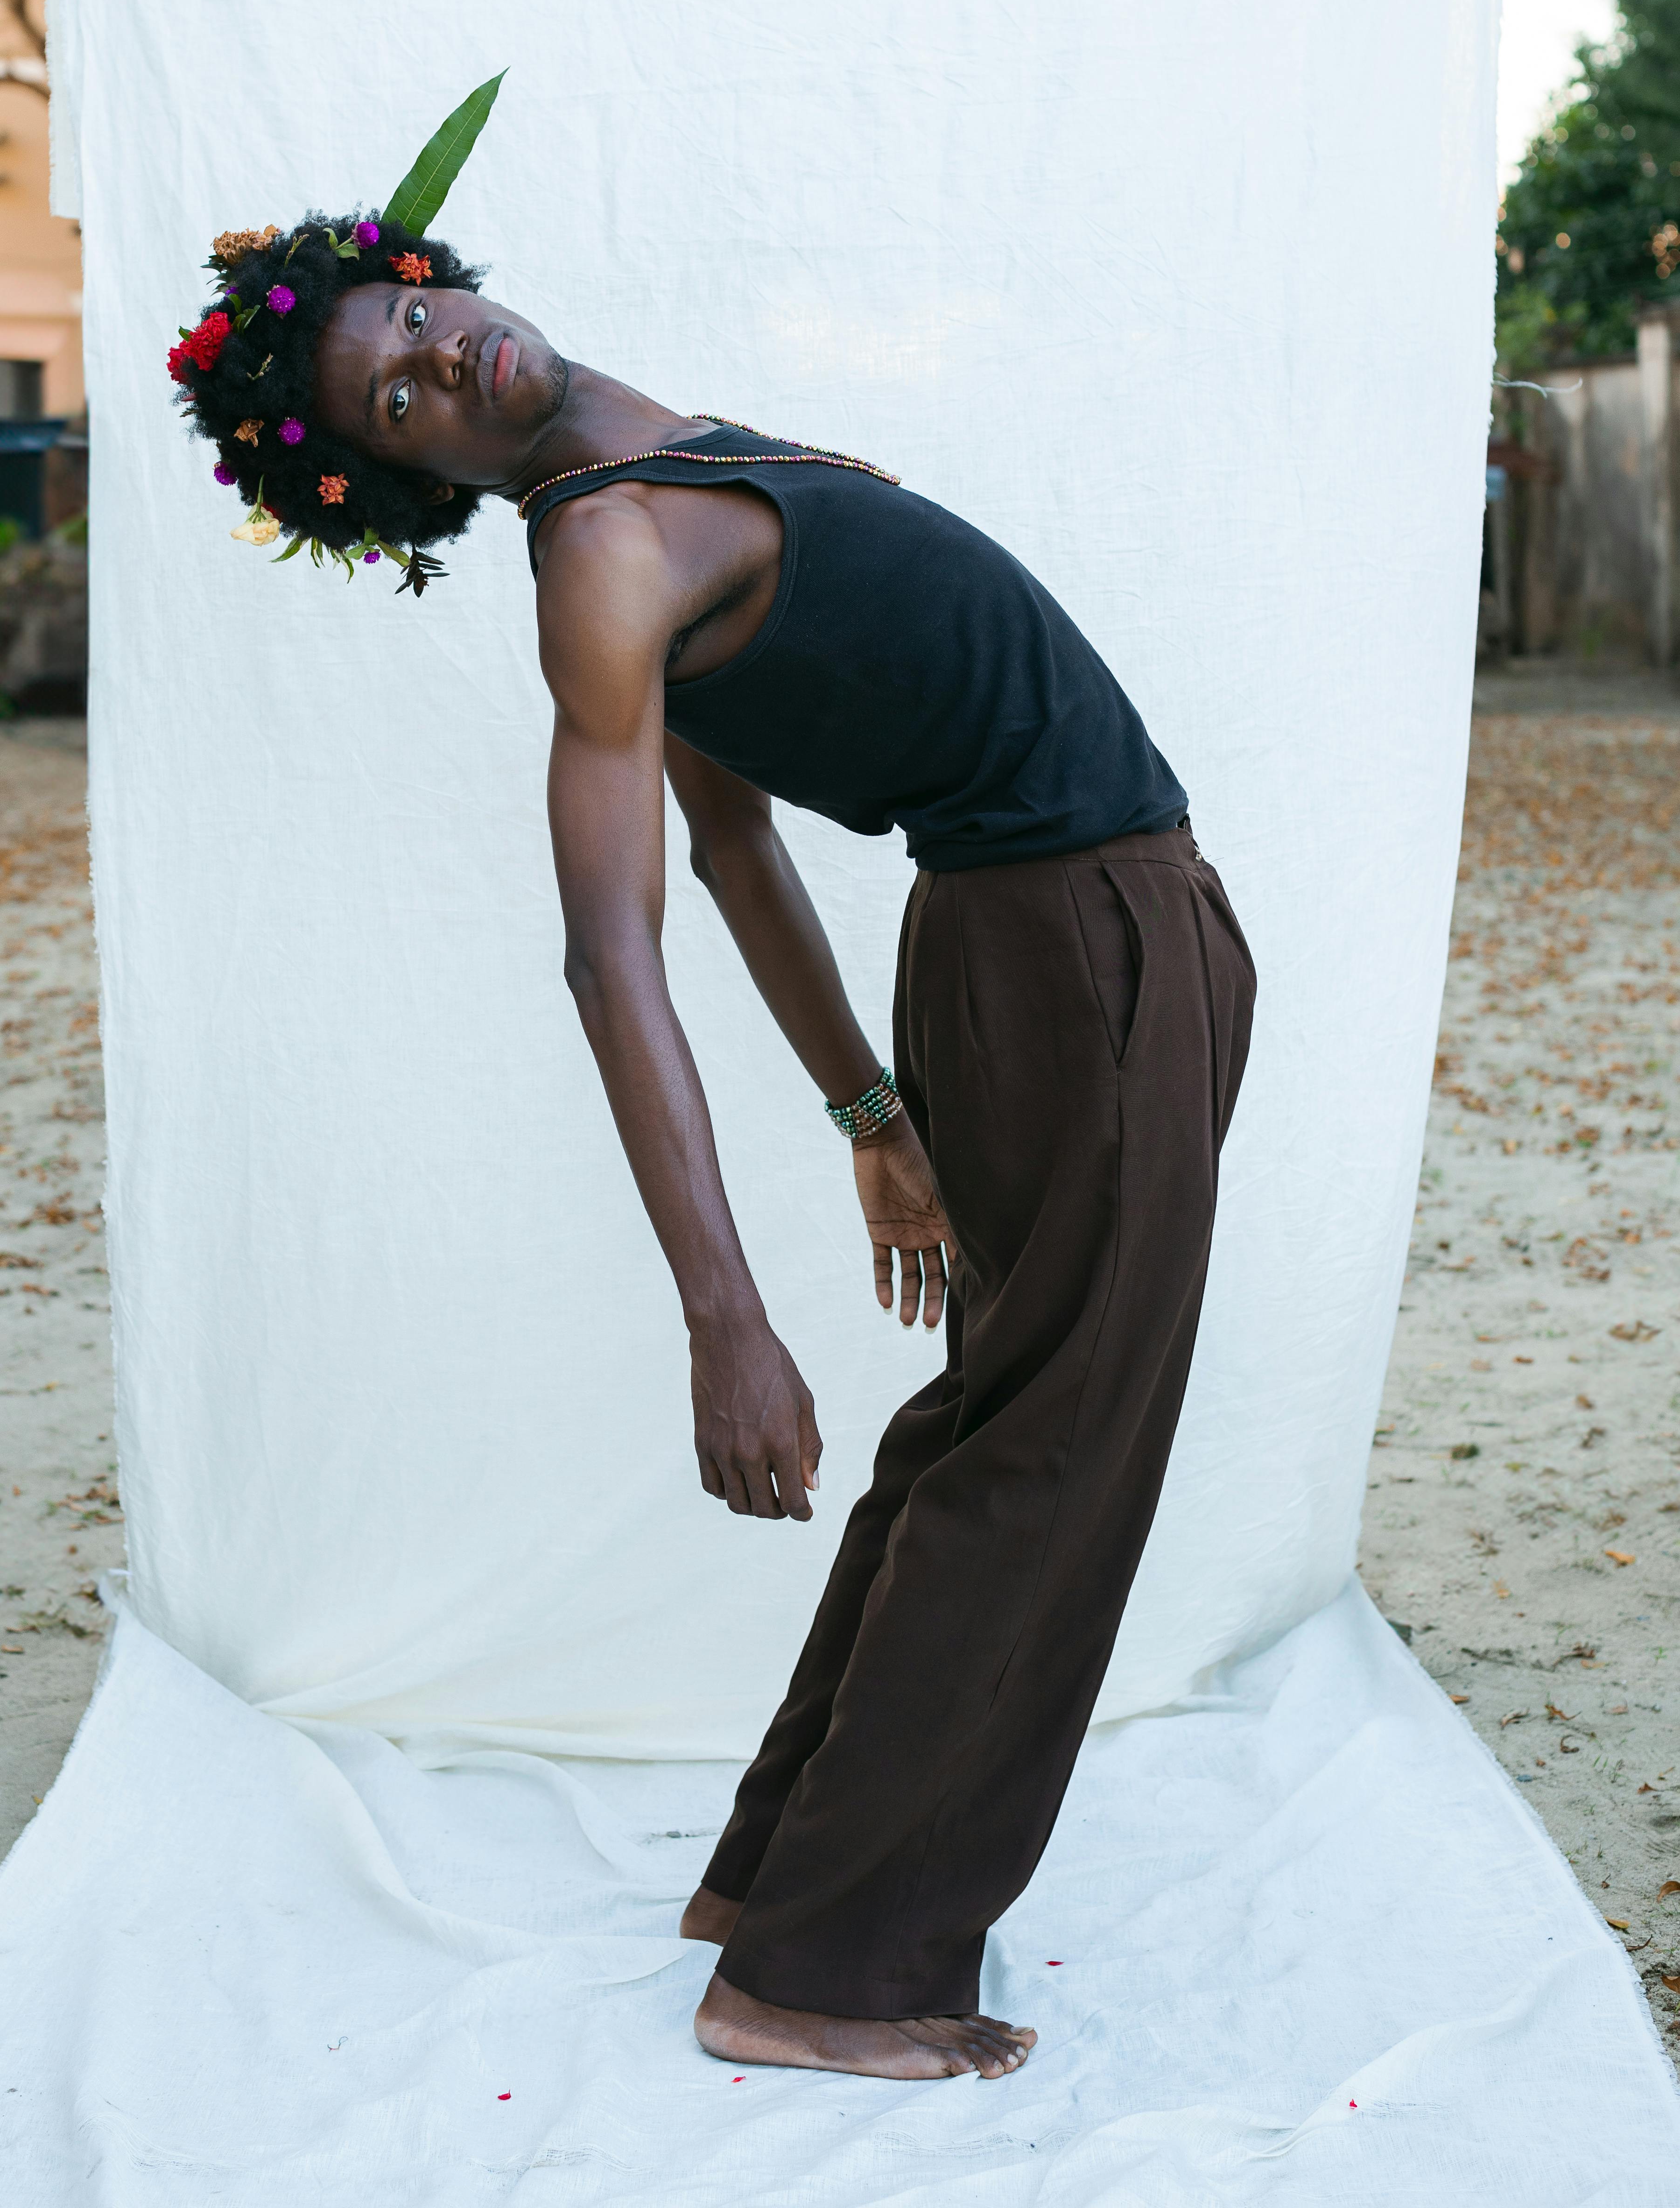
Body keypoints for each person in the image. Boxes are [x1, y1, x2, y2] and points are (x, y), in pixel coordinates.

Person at [172, 191, 1255, 2086]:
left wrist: (873, 1116)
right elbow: (613, 953)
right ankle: (824, 1975)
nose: (433, 363)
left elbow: (738, 838)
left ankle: (772, 1880)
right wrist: (723, 1319)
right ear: (412, 480)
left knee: (1001, 1421)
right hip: (1066, 949)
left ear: (433, 278)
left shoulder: (662, 468)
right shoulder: (605, 555)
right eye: (396, 406)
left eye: (407, 325)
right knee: (1054, 1450)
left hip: (1056, 952)